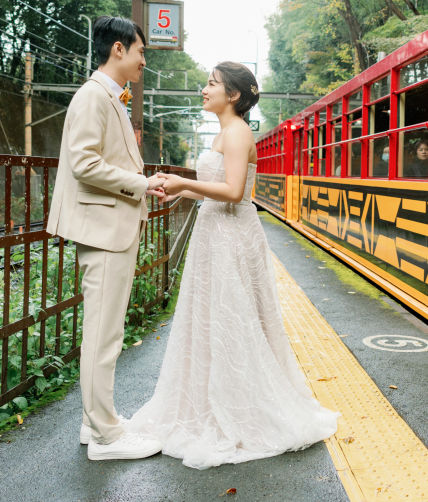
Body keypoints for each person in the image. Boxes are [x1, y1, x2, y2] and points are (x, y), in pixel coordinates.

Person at [126, 62, 339, 469]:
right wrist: (181, 193)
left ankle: (238, 406)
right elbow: (218, 188)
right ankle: (214, 399)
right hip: (217, 233)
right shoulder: (224, 132)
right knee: (214, 319)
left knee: (231, 318)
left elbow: (235, 191)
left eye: (212, 84)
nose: (204, 90)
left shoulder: (238, 131)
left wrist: (184, 183)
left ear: (233, 95)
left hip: (231, 236)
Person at [46, 16, 166, 461]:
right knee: (103, 335)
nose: (143, 61)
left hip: (106, 227)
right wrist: (141, 184)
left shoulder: (105, 96)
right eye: (140, 51)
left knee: (104, 332)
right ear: (119, 49)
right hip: (104, 229)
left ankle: (93, 422)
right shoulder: (94, 96)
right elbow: (84, 164)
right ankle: (106, 437)